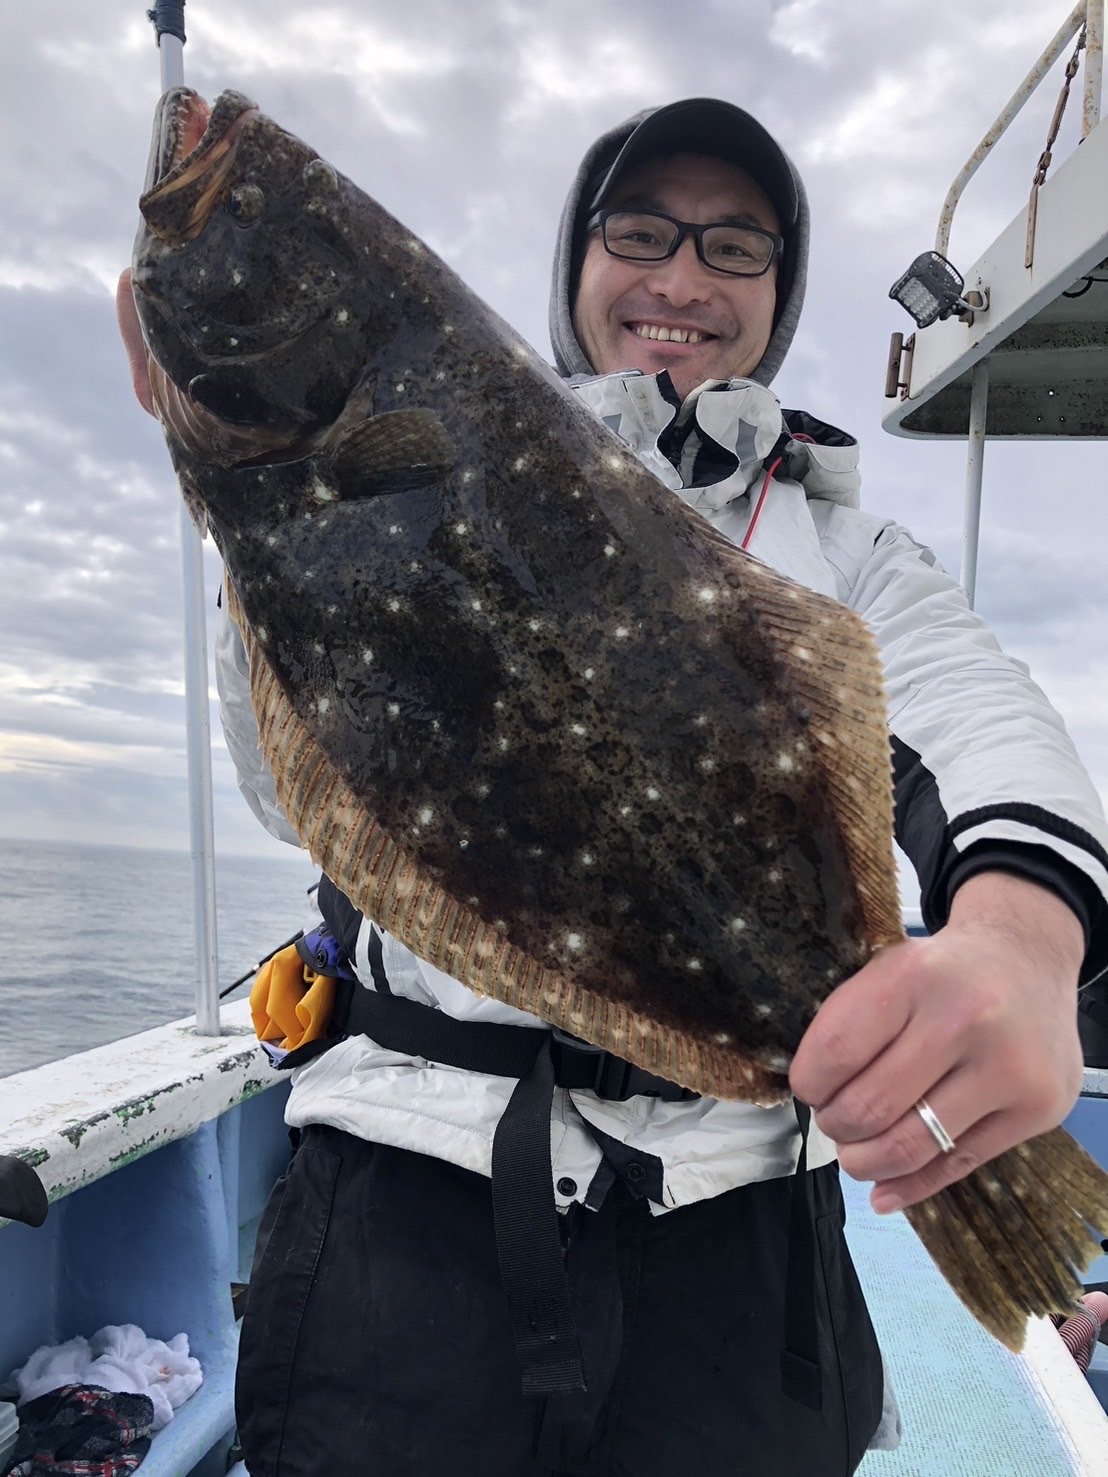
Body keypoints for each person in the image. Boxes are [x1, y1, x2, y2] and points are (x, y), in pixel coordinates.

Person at [119, 97, 1108, 1476]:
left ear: (779, 293)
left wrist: (1021, 937)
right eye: (640, 232)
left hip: (737, 1235)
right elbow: (301, 794)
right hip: (407, 1197)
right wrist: (245, 513)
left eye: (736, 247)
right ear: (577, 262)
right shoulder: (429, 432)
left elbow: (982, 719)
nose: (682, 278)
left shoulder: (848, 551)